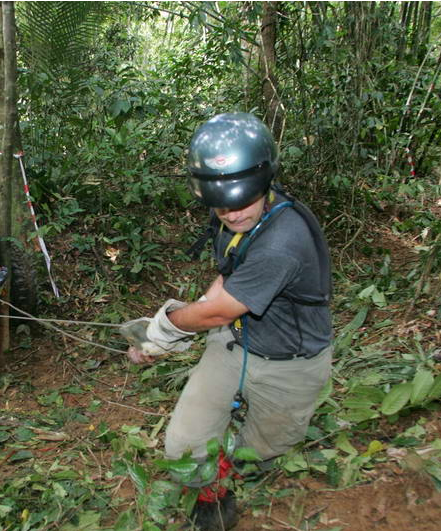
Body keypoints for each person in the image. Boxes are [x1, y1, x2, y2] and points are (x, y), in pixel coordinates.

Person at [123, 113, 333, 530]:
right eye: (221, 205)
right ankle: (213, 501)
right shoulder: (239, 222)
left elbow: (220, 309)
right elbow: (225, 286)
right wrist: (166, 337)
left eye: (241, 202)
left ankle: (246, 458)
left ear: (266, 183)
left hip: (291, 362)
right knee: (184, 447)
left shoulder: (284, 239)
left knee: (261, 453)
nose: (232, 215)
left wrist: (166, 328)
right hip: (234, 343)